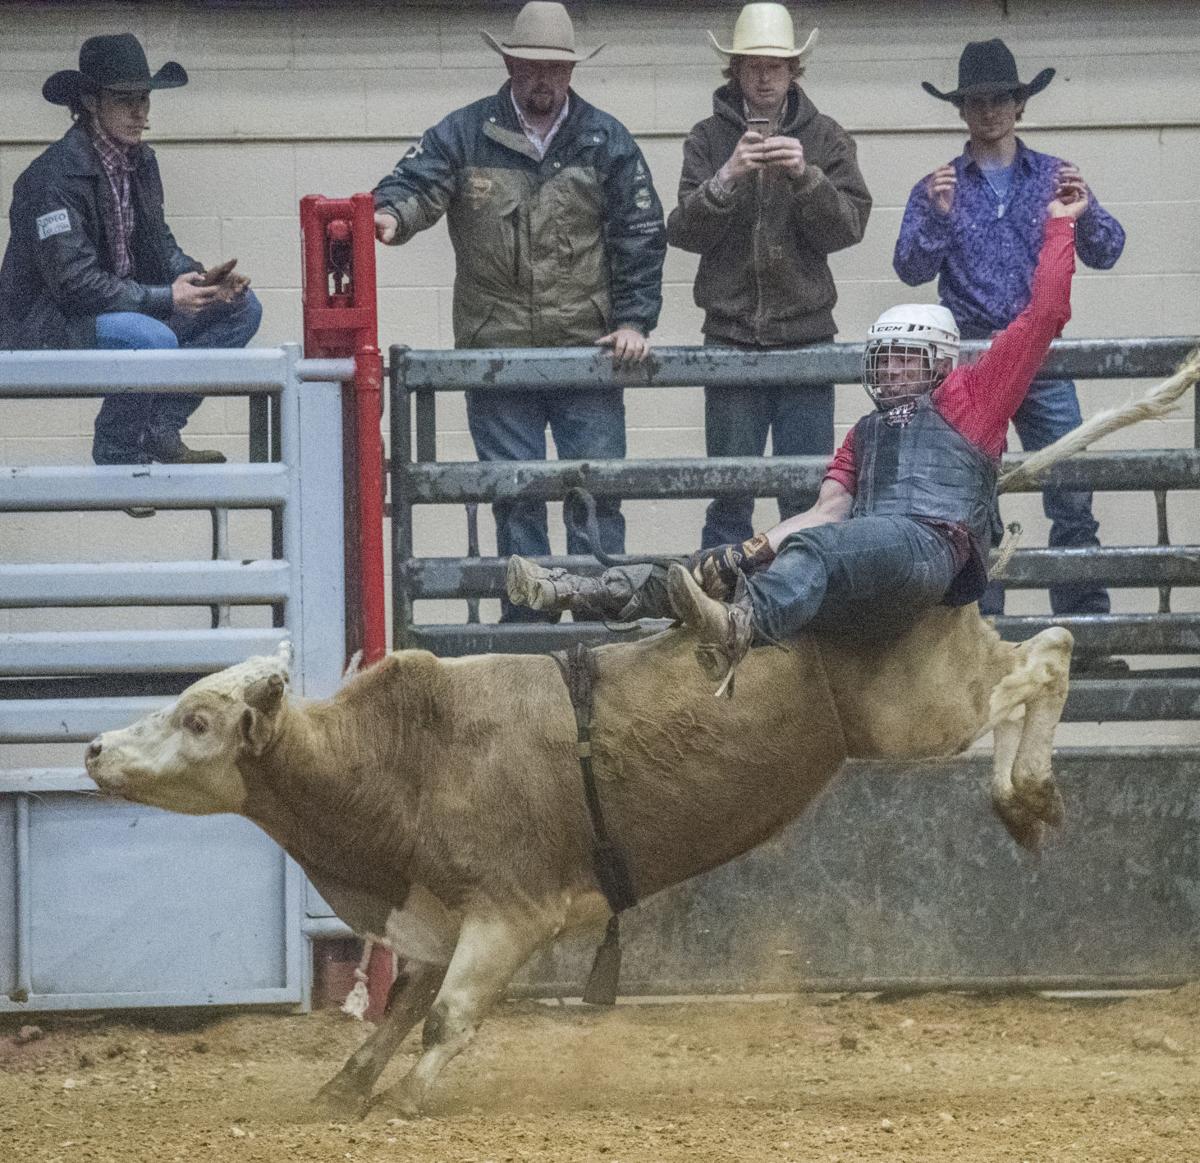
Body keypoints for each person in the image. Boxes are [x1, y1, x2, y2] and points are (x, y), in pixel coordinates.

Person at [507, 185, 1089, 688]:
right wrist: (745, 554)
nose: (889, 373)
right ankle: (581, 590)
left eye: (903, 362)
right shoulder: (866, 431)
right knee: (709, 569)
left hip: (931, 550)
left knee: (812, 553)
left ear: (940, 362)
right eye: (883, 362)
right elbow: (827, 512)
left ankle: (744, 627)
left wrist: (1060, 226)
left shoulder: (978, 395)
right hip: (866, 559)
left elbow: (1043, 316)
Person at [372, 1, 666, 622]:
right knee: (514, 496)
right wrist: (391, 217)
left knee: (596, 493)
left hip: (588, 353)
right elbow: (413, 185)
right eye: (531, 67)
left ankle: (599, 614)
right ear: (509, 64)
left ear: (570, 72)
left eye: (554, 69)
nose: (543, 80)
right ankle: (528, 622)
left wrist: (636, 321)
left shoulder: (604, 139)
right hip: (496, 354)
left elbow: (640, 231)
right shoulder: (462, 133)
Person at [892, 38, 1126, 666]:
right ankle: (980, 644)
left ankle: (1086, 636)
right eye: (977, 101)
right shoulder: (938, 185)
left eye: (1000, 98)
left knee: (1071, 492)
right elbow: (909, 268)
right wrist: (938, 216)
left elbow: (1108, 248)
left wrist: (1087, 207)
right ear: (962, 110)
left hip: (1041, 359)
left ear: (1020, 105)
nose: (989, 109)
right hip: (971, 361)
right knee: (971, 503)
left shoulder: (1057, 176)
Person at [0, 33, 261, 485]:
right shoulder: (51, 179)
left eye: (144, 100)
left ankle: (159, 428)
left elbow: (159, 247)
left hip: (119, 310)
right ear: (90, 102)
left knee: (242, 309)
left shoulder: (139, 163)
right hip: (46, 325)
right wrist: (166, 297)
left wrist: (199, 281)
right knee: (152, 336)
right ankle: (117, 445)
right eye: (125, 100)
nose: (140, 112)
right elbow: (75, 286)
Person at [666, 2, 871, 550]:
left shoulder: (826, 137)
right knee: (729, 492)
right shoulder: (707, 139)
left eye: (774, 66)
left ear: (792, 72)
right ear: (734, 70)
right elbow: (682, 231)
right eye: (751, 65)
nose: (762, 76)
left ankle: (804, 622)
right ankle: (716, 619)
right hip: (730, 341)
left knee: (808, 495)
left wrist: (806, 176)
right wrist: (726, 177)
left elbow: (849, 228)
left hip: (805, 342)